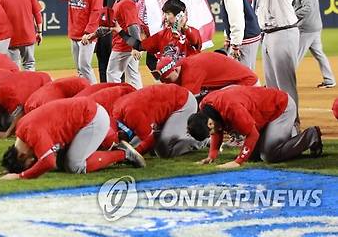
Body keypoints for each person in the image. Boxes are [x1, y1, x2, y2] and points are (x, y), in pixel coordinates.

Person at [0, 97, 145, 180]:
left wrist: (20, 176)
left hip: (92, 118)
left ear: (22, 155)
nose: (32, 162)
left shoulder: (32, 134)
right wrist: (14, 170)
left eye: (28, 163)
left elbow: (49, 162)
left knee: (74, 166)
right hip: (84, 116)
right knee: (62, 162)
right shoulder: (22, 131)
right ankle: (114, 150)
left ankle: (123, 153)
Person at [188, 86, 322, 168]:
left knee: (269, 155)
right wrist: (212, 155)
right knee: (252, 156)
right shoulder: (206, 110)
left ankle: (311, 135)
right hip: (263, 114)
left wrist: (238, 162)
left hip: (281, 108)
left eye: (209, 130)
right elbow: (216, 131)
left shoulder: (231, 108)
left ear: (209, 123)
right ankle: (290, 131)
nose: (211, 133)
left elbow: (252, 134)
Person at [111, 84, 206, 158]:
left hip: (183, 103)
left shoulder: (131, 114)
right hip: (172, 101)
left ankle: (202, 141)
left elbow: (148, 139)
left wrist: (129, 154)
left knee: (164, 150)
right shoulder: (119, 111)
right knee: (154, 148)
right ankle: (178, 134)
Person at [116, 0, 201, 80]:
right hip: (175, 82)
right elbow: (138, 45)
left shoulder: (192, 32)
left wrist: (184, 26)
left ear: (179, 15)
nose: (164, 17)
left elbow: (194, 41)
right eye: (164, 14)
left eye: (168, 14)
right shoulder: (162, 35)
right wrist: (119, 30)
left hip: (193, 77)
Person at [85, 0, 142, 88]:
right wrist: (93, 35)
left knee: (112, 75)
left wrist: (136, 46)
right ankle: (139, 99)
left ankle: (116, 99)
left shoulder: (125, 3)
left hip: (123, 45)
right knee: (133, 75)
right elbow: (110, 26)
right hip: (128, 44)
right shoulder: (120, 1)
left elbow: (133, 25)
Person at [204, 0, 261, 70]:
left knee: (243, 76)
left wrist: (235, 45)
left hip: (245, 39)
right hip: (245, 37)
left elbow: (237, 20)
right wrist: (229, 38)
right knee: (242, 75)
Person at [51, 0, 103, 83]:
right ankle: (84, 92)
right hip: (74, 35)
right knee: (80, 69)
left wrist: (89, 32)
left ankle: (94, 92)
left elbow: (96, 12)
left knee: (85, 67)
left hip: (86, 36)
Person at [0, 71, 52, 137]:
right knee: (4, 120)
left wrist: (7, 134)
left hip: (44, 83)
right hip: (33, 81)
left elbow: (21, 113)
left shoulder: (2, 93)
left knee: (9, 122)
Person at [295, 0, 335, 88]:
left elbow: (308, 8)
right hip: (315, 26)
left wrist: (292, 15)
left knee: (294, 56)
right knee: (319, 54)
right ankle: (329, 79)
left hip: (307, 28)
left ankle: (283, 82)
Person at [157, 52, 258, 97]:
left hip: (247, 83)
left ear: (175, 70)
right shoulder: (180, 66)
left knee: (213, 103)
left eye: (168, 79)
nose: (167, 82)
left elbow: (188, 103)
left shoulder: (191, 72)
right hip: (234, 84)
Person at [0, 0, 42, 71]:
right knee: (29, 65)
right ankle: (30, 87)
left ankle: (17, 86)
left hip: (10, 38)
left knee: (13, 68)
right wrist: (39, 32)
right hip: (28, 35)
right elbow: (37, 14)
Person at [93, 0, 116, 82]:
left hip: (113, 35)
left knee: (115, 68)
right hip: (101, 35)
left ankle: (119, 92)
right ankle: (103, 88)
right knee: (102, 66)